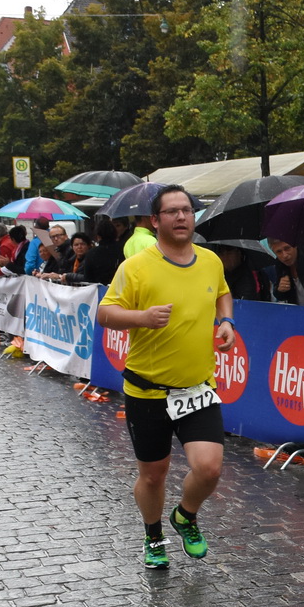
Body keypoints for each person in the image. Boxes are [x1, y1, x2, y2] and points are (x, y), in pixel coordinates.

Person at [96, 185, 235, 570]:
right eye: (171, 212)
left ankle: (185, 516)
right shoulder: (136, 267)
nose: (181, 217)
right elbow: (104, 314)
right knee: (154, 476)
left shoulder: (210, 261)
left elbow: (223, 294)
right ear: (155, 221)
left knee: (209, 468)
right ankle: (153, 535)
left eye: (186, 210)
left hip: (198, 387)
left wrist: (226, 321)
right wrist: (141, 317)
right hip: (147, 391)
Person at [266, 238, 304, 305]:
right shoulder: (279, 264)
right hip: (295, 310)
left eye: (287, 248)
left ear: (295, 246)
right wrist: (280, 290)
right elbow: (280, 296)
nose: (285, 255)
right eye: (279, 252)